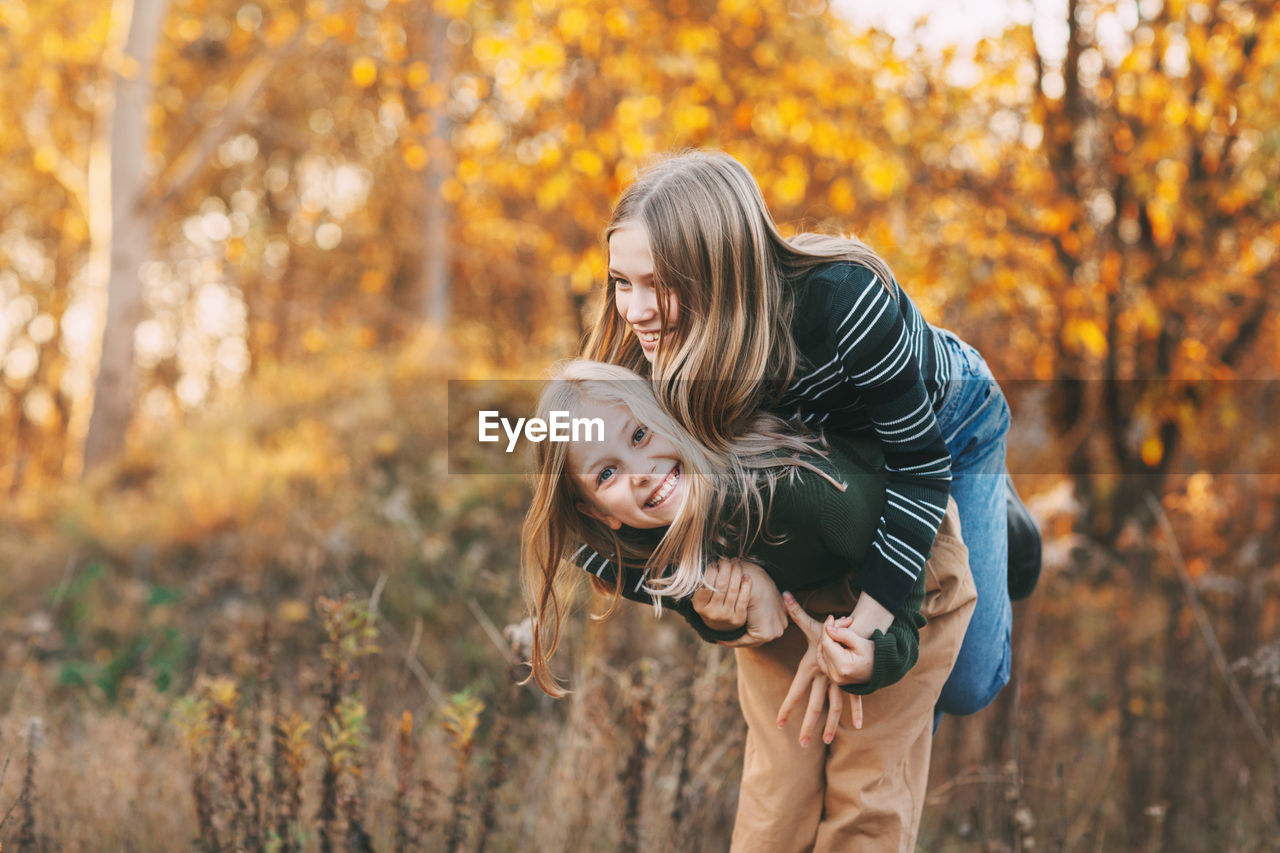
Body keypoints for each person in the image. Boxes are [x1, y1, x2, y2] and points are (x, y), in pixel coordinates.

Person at [577, 149, 1040, 719]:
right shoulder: (649, 348)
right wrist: (710, 599)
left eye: (659, 284)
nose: (636, 310)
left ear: (723, 270)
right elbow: (580, 530)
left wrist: (867, 631)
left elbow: (918, 467)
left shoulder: (846, 300)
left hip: (941, 429)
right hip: (837, 468)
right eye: (621, 282)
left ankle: (1000, 519)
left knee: (965, 686)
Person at [521, 360, 976, 852]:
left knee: (866, 795)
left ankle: (999, 514)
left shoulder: (805, 494)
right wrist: (721, 614)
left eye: (638, 436)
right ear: (595, 511)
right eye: (606, 473)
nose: (641, 475)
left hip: (900, 569)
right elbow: (677, 596)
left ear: (668, 413)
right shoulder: (625, 552)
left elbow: (897, 554)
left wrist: (872, 653)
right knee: (776, 800)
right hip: (791, 588)